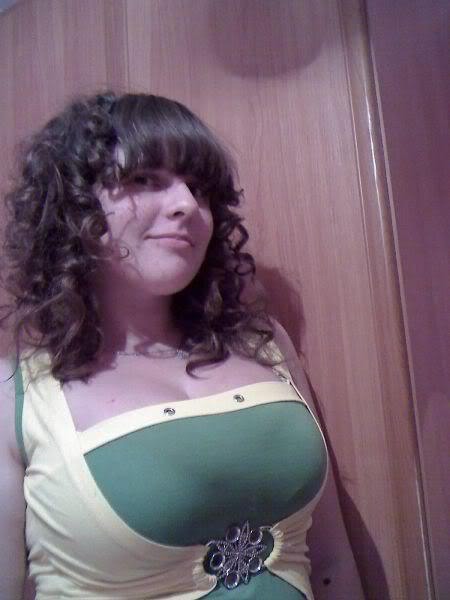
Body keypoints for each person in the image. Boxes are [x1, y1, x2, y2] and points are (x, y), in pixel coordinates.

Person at [0, 91, 364, 599]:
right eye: (145, 179)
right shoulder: (17, 395)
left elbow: (330, 561)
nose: (188, 206)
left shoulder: (263, 344)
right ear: (74, 204)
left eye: (200, 188)